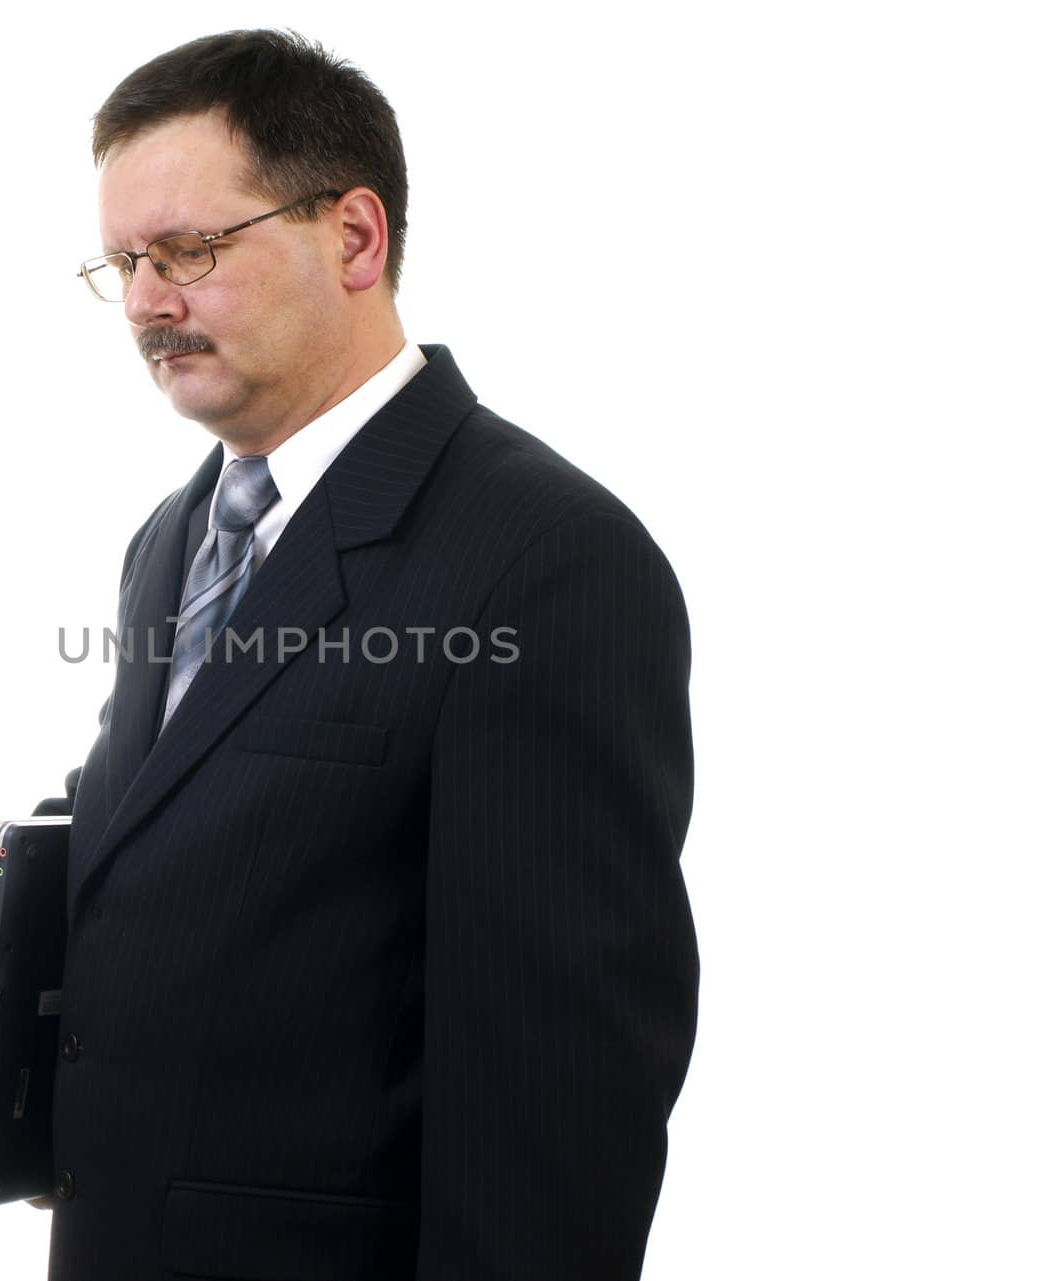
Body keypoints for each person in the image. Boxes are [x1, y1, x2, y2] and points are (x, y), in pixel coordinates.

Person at [36, 29, 698, 1281]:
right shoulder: (170, 541)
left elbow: (556, 1109)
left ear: (354, 237)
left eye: (187, 251)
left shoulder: (545, 559)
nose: (144, 302)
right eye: (124, 261)